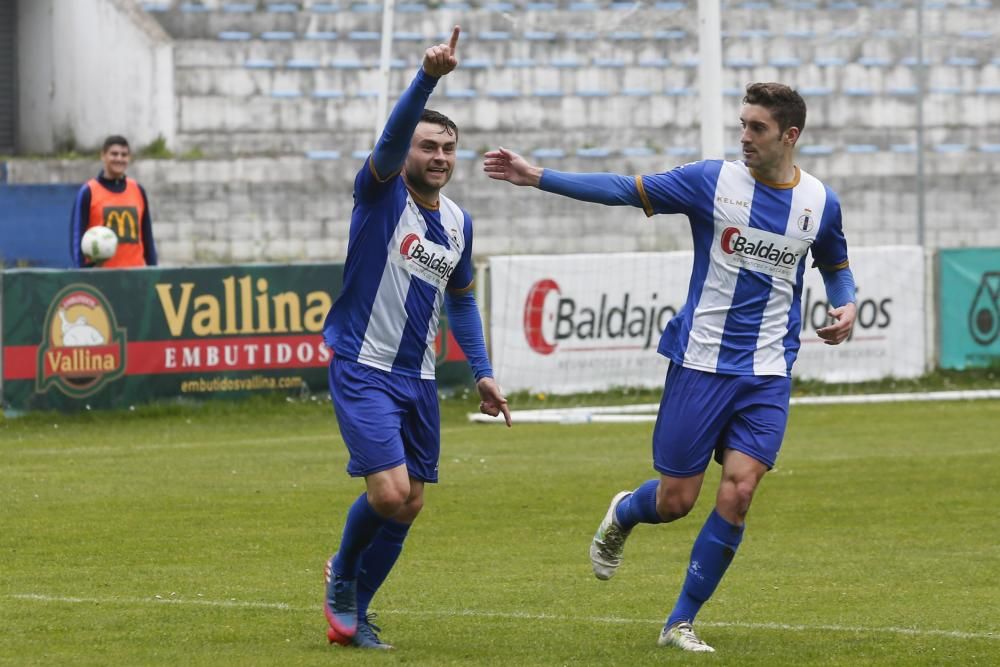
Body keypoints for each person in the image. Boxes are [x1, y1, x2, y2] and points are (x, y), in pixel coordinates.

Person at [483, 82, 857, 653]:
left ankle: (680, 621)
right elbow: (624, 190)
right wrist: (539, 177)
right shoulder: (712, 180)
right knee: (676, 501)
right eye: (743, 124)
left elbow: (834, 259)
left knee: (739, 491)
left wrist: (846, 300)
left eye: (757, 128)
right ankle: (624, 513)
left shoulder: (820, 202)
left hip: (768, 371)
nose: (744, 136)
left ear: (790, 136)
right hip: (701, 363)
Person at [321, 26, 511, 651]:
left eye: (448, 148)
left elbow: (461, 298)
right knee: (389, 491)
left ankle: (358, 613)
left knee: (410, 505)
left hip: (419, 379)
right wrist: (428, 76)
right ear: (408, 152)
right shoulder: (378, 195)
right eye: (427, 145)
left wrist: (480, 370)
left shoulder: (458, 222)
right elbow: (388, 140)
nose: (438, 156)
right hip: (363, 365)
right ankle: (342, 576)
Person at [70, 135, 158, 268]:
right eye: (114, 154)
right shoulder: (88, 191)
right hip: (101, 276)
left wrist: (153, 270)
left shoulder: (137, 189)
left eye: (124, 155)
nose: (119, 159)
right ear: (103, 155)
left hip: (136, 273)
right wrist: (81, 271)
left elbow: (147, 237)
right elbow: (77, 236)